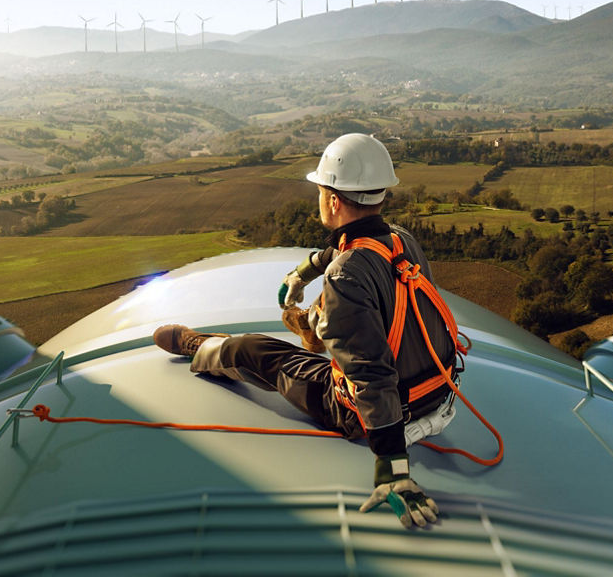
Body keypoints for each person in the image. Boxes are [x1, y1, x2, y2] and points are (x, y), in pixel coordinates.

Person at [152, 132, 460, 529]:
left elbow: (371, 375)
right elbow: (351, 250)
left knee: (254, 350)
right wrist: (304, 271)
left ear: (333, 200)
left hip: (381, 416)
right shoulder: (402, 240)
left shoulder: (346, 276)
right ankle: (314, 325)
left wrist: (393, 467)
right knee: (340, 312)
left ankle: (202, 348)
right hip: (440, 396)